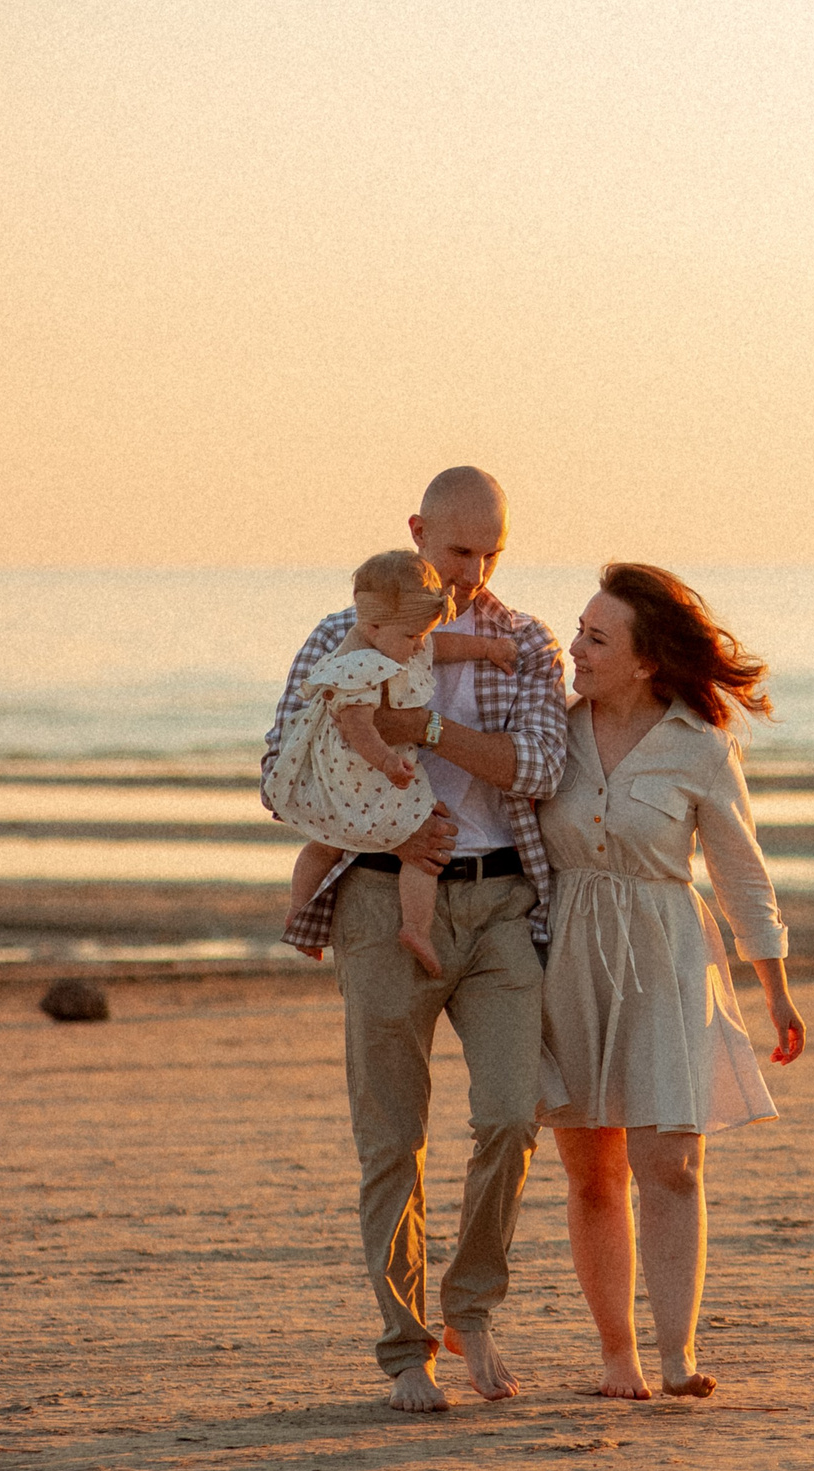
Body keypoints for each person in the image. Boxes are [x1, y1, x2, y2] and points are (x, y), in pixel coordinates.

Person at [261, 467, 568, 1412]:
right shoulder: (342, 635)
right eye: (459, 551)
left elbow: (540, 768)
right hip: (378, 901)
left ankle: (470, 1306)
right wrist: (392, 831)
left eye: (492, 554)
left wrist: (421, 726)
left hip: (502, 903)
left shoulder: (524, 640)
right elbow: (280, 775)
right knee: (392, 1138)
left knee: (512, 1115)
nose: (475, 572)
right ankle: (406, 1350)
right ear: (418, 533)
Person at [537, 562, 807, 1401]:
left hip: (666, 957)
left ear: (646, 660)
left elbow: (740, 874)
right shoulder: (550, 730)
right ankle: (617, 1356)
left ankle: (677, 1354)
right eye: (578, 631)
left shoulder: (700, 745)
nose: (575, 649)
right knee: (593, 1172)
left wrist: (775, 987)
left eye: (596, 638)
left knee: (673, 1164)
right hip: (567, 957)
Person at [266, 550, 519, 978]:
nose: (420, 645)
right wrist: (388, 763)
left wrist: (488, 648)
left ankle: (298, 913)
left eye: (422, 634)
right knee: (420, 844)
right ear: (373, 627)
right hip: (363, 771)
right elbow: (358, 728)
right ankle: (414, 928)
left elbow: (442, 646)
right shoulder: (357, 666)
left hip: (358, 772)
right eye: (413, 636)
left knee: (325, 843)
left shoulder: (396, 637)